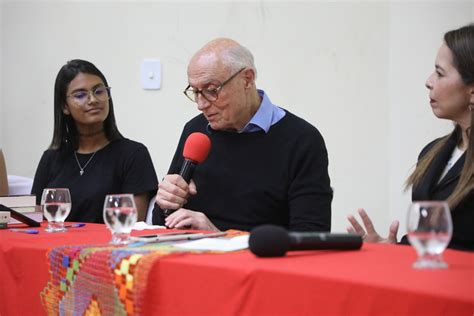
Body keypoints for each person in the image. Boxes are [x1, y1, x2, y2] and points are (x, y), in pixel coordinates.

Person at [153, 38, 332, 232]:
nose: (201, 104)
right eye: (195, 91)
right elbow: (160, 224)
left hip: (262, 261)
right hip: (192, 257)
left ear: (247, 79)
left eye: (211, 90)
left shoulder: (301, 140)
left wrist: (220, 236)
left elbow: (311, 237)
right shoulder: (196, 131)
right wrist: (166, 203)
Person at [347, 24, 474, 251]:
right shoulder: (432, 152)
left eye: (440, 73)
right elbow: (428, 242)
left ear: (471, 90)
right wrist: (394, 249)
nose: (429, 81)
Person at [31, 59, 158, 223]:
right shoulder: (51, 158)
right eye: (80, 95)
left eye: (99, 91)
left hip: (110, 247)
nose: (93, 100)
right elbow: (34, 221)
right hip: (54, 247)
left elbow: (133, 226)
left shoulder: (133, 154)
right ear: (64, 106)